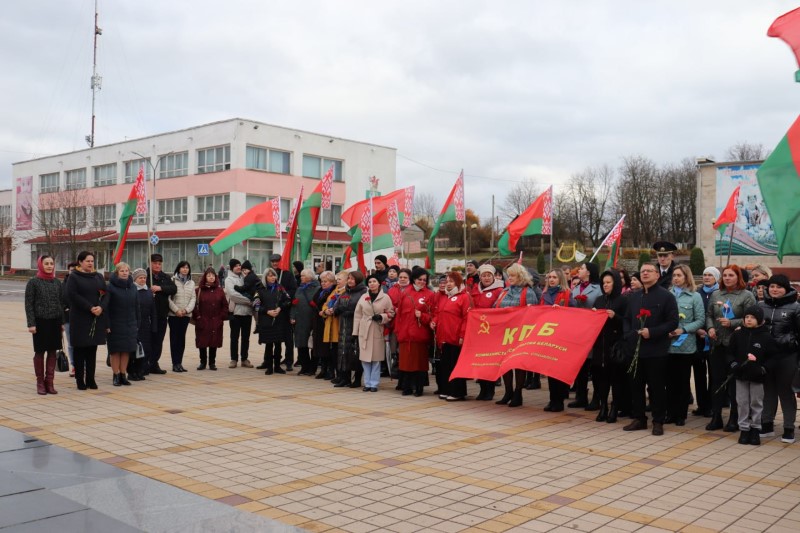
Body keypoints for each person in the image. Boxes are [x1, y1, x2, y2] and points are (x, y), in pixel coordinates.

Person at [621, 263, 679, 436]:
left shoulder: (666, 296)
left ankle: (658, 420)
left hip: (656, 350)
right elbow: (626, 318)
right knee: (635, 386)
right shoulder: (634, 296)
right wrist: (628, 334)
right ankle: (639, 418)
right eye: (642, 271)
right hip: (635, 350)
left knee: (656, 388)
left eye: (649, 271)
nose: (645, 273)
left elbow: (672, 322)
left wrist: (652, 332)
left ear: (657, 275)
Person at [705, 265, 756, 432]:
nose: (727, 278)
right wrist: (710, 328)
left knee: (734, 383)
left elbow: (752, 318)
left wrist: (732, 323)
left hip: (736, 346)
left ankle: (734, 417)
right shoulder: (716, 294)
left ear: (738, 277)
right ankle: (716, 416)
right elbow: (709, 315)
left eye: (731, 275)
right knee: (716, 381)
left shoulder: (746, 295)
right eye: (725, 275)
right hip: (717, 344)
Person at [758, 274, 800, 444]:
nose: (774, 290)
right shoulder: (761, 305)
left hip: (787, 356)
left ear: (786, 289)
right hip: (767, 356)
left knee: (786, 392)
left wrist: (789, 342)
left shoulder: (796, 307)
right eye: (772, 286)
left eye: (779, 287)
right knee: (767, 391)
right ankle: (767, 424)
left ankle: (789, 428)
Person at [665, 265, 705, 426]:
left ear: (686, 277)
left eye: (679, 275)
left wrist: (683, 329)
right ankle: (670, 412)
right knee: (669, 381)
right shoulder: (667, 295)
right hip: (668, 344)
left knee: (682, 381)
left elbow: (700, 320)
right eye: (674, 275)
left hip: (685, 345)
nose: (676, 278)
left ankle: (681, 414)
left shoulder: (695, 296)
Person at [730, 305, 776, 446]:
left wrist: (763, 368)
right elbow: (729, 353)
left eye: (753, 318)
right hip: (741, 375)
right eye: (747, 317)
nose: (749, 320)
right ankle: (744, 428)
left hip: (757, 376)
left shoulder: (766, 336)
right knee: (742, 402)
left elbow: (773, 357)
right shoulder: (737, 335)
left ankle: (755, 428)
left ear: (760, 320)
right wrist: (733, 365)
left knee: (756, 402)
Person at [494, 263, 538, 408]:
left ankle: (518, 393)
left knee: (518, 363)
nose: (510, 278)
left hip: (520, 333)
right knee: (504, 362)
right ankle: (508, 392)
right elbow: (495, 307)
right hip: (504, 333)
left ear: (520, 276)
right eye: (509, 275)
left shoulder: (528, 292)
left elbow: (533, 314)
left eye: (512, 275)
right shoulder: (504, 291)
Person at [65, 251, 108, 390]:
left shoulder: (98, 276)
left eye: (92, 261)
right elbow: (72, 295)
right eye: (87, 261)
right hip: (80, 317)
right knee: (80, 350)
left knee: (92, 349)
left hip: (95, 317)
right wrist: (89, 307)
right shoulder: (74, 277)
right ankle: (80, 380)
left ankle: (90, 379)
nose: (90, 263)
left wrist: (101, 307)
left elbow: (106, 294)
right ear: (80, 262)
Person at [590, 269, 629, 422]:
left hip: (616, 346)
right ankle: (603, 407)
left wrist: (615, 317)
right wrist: (592, 315)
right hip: (600, 346)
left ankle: (615, 407)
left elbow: (627, 322)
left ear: (615, 283)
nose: (605, 285)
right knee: (602, 379)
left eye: (608, 282)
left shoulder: (623, 300)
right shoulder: (599, 300)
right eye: (603, 283)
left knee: (616, 379)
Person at [25, 255, 64, 395]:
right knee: (40, 352)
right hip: (40, 322)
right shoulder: (33, 282)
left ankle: (50, 382)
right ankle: (40, 382)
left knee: (52, 352)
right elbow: (29, 305)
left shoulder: (57, 282)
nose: (49, 266)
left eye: (51, 263)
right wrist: (31, 324)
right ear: (40, 265)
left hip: (55, 322)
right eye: (46, 263)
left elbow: (61, 303)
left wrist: (62, 322)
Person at [393, 267, 435, 397]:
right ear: (414, 279)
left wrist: (422, 316)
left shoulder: (430, 294)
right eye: (419, 279)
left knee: (419, 363)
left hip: (420, 334)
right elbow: (399, 315)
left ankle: (419, 388)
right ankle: (407, 387)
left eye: (424, 280)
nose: (422, 282)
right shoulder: (405, 293)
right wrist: (398, 331)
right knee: (406, 363)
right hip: (405, 334)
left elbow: (432, 316)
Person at [541, 268, 577, 411]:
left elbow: (575, 312)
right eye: (550, 277)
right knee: (550, 369)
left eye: (554, 277)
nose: (551, 279)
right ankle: (552, 399)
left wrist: (562, 311)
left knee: (559, 370)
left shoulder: (567, 293)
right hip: (548, 335)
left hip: (562, 336)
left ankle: (559, 400)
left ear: (560, 279)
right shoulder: (544, 294)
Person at [431, 271, 471, 401]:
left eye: (451, 281)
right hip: (444, 337)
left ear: (458, 283)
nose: (448, 284)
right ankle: (446, 389)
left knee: (455, 365)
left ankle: (457, 392)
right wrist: (434, 322)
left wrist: (462, 335)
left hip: (456, 337)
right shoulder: (446, 297)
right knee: (445, 365)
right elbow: (439, 313)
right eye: (447, 281)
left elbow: (466, 318)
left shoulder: (464, 297)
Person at [354, 274, 394, 392]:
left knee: (376, 359)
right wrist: (355, 332)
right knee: (365, 359)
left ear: (379, 283)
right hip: (364, 329)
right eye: (370, 282)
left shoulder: (385, 297)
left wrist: (382, 317)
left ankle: (374, 384)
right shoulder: (363, 297)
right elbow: (357, 315)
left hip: (377, 329)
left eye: (374, 281)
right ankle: (367, 383)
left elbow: (391, 313)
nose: (372, 284)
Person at [470, 264, 505, 401]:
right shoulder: (475, 290)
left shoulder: (499, 290)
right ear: (480, 277)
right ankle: (482, 389)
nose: (486, 278)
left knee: (489, 361)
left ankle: (490, 390)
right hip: (478, 331)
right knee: (480, 360)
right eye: (484, 275)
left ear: (493, 276)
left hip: (492, 331)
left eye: (489, 275)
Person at [570, 262, 602, 409]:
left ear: (589, 272)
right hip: (578, 331)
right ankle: (580, 396)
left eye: (582, 268)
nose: (579, 270)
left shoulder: (598, 289)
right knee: (580, 366)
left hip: (593, 331)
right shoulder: (576, 288)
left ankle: (597, 398)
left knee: (595, 367)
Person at [692, 266, 720, 418]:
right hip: (698, 338)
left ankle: (712, 405)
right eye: (705, 275)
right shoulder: (697, 293)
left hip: (715, 338)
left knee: (714, 374)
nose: (707, 277)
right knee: (699, 373)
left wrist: (712, 329)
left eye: (710, 275)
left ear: (716, 278)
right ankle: (702, 405)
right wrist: (698, 329)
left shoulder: (720, 293)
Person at [333, 270, 368, 388]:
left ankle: (357, 379)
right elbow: (337, 305)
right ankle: (345, 378)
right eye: (348, 278)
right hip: (343, 326)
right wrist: (337, 310)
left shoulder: (363, 292)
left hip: (356, 326)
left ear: (358, 280)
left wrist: (351, 312)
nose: (350, 281)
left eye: (352, 279)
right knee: (343, 352)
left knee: (355, 352)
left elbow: (365, 309)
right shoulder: (345, 292)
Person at [106, 262, 138, 386]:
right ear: (117, 272)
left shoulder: (133, 287)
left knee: (126, 351)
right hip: (115, 324)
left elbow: (137, 306)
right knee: (115, 351)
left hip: (130, 324)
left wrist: (137, 323)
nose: (124, 273)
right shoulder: (110, 287)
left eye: (126, 271)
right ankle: (116, 375)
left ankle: (123, 374)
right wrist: (107, 325)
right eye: (122, 271)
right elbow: (106, 307)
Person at [255, 268, 292, 375]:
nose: (273, 277)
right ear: (265, 277)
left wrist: (280, 308)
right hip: (266, 320)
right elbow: (255, 305)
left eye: (274, 275)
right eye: (270, 275)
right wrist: (267, 311)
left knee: (278, 344)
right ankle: (269, 366)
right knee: (269, 344)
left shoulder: (280, 288)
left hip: (279, 320)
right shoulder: (260, 288)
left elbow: (288, 300)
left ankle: (277, 366)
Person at [146, 253, 177, 375]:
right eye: (155, 263)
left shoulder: (165, 277)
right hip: (148, 315)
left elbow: (173, 289)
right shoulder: (145, 275)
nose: (157, 265)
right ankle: (145, 363)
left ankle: (154, 363)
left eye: (159, 263)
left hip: (161, 315)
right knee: (148, 340)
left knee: (158, 340)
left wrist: (160, 288)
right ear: (150, 263)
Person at [193, 267, 228, 371]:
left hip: (216, 320)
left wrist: (221, 317)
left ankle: (212, 363)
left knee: (214, 341)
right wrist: (198, 317)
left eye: (213, 275)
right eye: (208, 275)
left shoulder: (220, 290)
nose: (211, 277)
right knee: (202, 341)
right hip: (202, 319)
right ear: (205, 277)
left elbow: (225, 305)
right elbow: (194, 305)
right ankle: (202, 362)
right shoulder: (198, 290)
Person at [224, 259, 255, 369]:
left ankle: (244, 359)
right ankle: (234, 359)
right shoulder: (229, 280)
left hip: (247, 313)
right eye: (236, 266)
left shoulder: (246, 277)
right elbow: (233, 295)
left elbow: (252, 290)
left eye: (239, 265)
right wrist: (249, 301)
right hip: (235, 313)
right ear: (231, 267)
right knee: (234, 337)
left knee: (246, 337)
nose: (238, 267)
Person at [269, 254, 298, 371]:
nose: (275, 263)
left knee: (288, 338)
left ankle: (289, 361)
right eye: (273, 261)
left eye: (277, 261)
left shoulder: (287, 274)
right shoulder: (269, 274)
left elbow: (293, 290)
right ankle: (270, 361)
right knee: (273, 338)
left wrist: (283, 296)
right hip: (273, 311)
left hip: (285, 311)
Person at [291, 269, 321, 376]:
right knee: (301, 345)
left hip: (312, 321)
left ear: (310, 277)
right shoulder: (299, 289)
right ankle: (304, 367)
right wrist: (292, 316)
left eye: (303, 276)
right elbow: (294, 304)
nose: (301, 277)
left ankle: (312, 368)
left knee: (313, 345)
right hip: (300, 321)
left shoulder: (317, 289)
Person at [168, 261, 196, 373]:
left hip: (185, 315)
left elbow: (193, 298)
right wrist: (176, 310)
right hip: (174, 315)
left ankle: (179, 363)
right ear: (178, 269)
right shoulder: (172, 280)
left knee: (181, 339)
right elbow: (168, 299)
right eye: (183, 267)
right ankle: (175, 363)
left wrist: (186, 310)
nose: (185, 269)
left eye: (187, 268)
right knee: (174, 339)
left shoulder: (191, 282)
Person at [130, 268, 155, 381]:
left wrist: (154, 325)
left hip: (146, 324)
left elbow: (153, 310)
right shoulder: (131, 290)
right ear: (135, 279)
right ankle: (132, 371)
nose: (143, 279)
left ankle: (141, 370)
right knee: (134, 349)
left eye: (144, 278)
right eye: (140, 278)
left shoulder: (149, 291)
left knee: (145, 348)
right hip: (134, 324)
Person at [323, 271, 348, 384]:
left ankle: (341, 375)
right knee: (333, 352)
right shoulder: (335, 291)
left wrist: (335, 310)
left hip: (339, 324)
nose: (337, 281)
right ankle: (335, 373)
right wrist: (326, 310)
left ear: (346, 281)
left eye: (340, 279)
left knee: (339, 352)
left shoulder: (346, 292)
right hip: (330, 323)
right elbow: (326, 303)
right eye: (337, 279)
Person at [312, 271, 337, 379]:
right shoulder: (320, 291)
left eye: (325, 281)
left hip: (327, 321)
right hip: (318, 321)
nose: (323, 283)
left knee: (328, 348)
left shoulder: (333, 292)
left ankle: (330, 371)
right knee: (320, 346)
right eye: (322, 281)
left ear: (332, 282)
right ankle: (323, 369)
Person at [63, 261, 78, 377]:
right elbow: (60, 299)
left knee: (82, 343)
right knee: (71, 343)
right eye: (71, 270)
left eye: (75, 270)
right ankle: (74, 366)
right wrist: (65, 308)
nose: (72, 272)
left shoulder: (81, 282)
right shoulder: (63, 284)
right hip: (68, 318)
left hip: (82, 318)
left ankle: (83, 365)